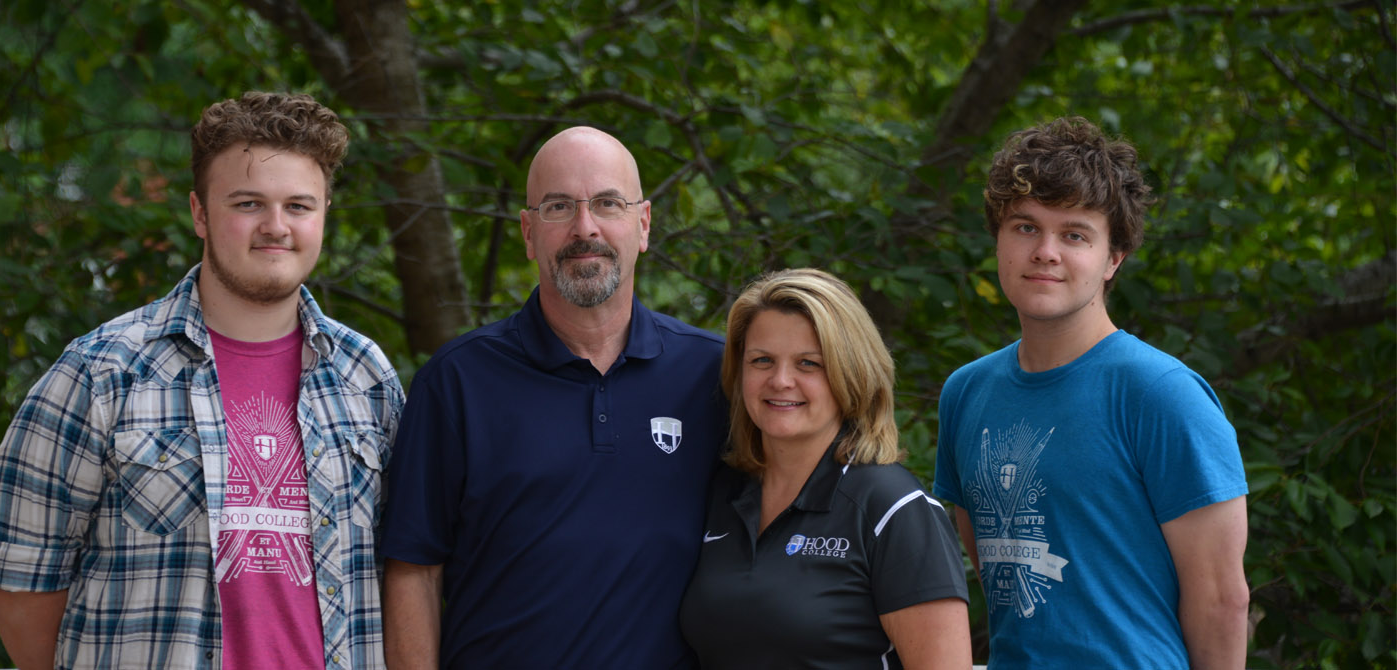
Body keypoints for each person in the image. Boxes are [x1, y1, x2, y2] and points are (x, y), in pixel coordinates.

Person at [0, 92, 403, 670]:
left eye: (299, 206)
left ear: (324, 213)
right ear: (199, 213)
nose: (276, 227)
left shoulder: (365, 376)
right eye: (248, 203)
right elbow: (21, 583)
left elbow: (402, 572)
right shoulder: (100, 373)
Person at [380, 126, 728, 669]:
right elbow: (413, 572)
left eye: (608, 203)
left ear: (643, 225)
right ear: (527, 231)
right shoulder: (457, 382)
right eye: (559, 206)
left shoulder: (714, 375)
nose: (583, 227)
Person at [933, 117, 1250, 668]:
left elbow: (1222, 600)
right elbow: (995, 568)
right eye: (1025, 227)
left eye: (1075, 234)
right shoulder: (965, 392)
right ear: (998, 239)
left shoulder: (1161, 395)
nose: (1045, 251)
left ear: (1114, 258)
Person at [678, 268, 971, 669]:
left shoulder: (893, 508)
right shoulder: (722, 491)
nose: (781, 381)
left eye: (808, 364)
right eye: (762, 360)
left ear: (850, 373)